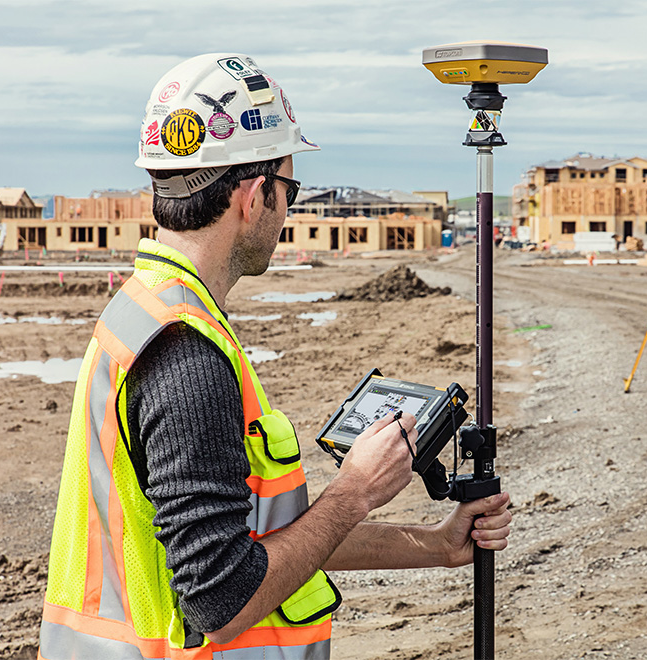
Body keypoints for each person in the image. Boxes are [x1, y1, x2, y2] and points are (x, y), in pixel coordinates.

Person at [37, 53, 512, 659]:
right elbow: (222, 600)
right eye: (290, 188)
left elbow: (266, 542)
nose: (289, 209)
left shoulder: (148, 308)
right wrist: (356, 490)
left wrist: (437, 545)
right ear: (255, 193)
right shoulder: (186, 354)